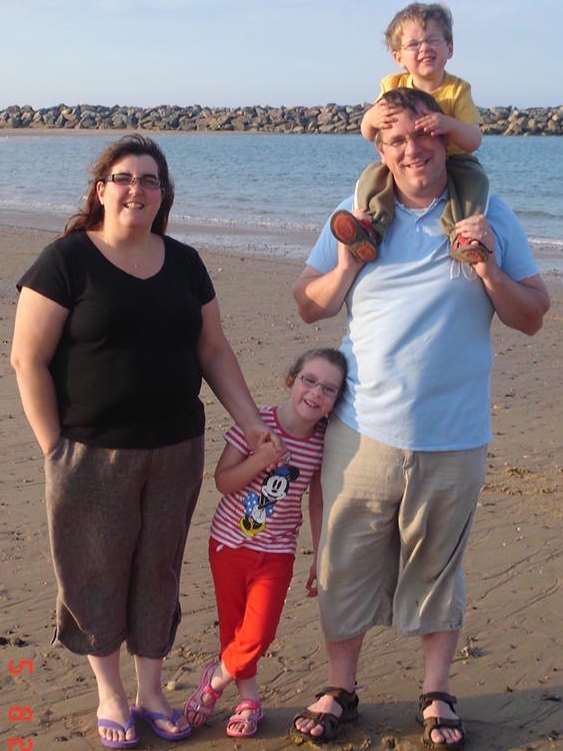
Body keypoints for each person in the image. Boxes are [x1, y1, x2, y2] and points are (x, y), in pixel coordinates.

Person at [291, 87, 550, 749]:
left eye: (424, 135)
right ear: (380, 149)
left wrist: (486, 263)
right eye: (397, 139)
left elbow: (530, 314)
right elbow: (308, 305)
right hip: (362, 426)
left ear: (444, 140)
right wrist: (346, 262)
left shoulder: (487, 213)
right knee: (344, 563)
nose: (413, 149)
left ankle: (436, 691)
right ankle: (340, 687)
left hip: (454, 432)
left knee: (438, 564)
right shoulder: (355, 216)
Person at [10, 135, 285, 749]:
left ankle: (151, 690)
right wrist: (55, 447)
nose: (138, 188)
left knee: (158, 570)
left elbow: (213, 349)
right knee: (95, 571)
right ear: (101, 188)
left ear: (164, 195)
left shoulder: (185, 262)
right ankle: (110, 692)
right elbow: (28, 360)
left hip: (176, 448)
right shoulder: (66, 260)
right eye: (126, 177)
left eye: (151, 180)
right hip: (89, 452)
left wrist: (249, 422)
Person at [183, 348, 347, 737]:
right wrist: (261, 459)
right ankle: (248, 700)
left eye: (328, 389)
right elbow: (223, 481)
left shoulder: (324, 442)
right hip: (228, 543)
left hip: (276, 553)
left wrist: (321, 550)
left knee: (258, 632)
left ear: (335, 404)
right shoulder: (256, 424)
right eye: (309, 380)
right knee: (234, 629)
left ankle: (214, 681)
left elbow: (318, 498)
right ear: (291, 381)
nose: (315, 393)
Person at [331, 2, 489, 265]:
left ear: (449, 48)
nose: (424, 48)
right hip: (405, 161)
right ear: (398, 57)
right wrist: (371, 117)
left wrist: (448, 125)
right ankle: (369, 229)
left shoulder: (457, 90)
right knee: (372, 177)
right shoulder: (392, 85)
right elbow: (369, 132)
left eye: (432, 41)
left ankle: (462, 236)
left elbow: (474, 140)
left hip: (454, 160)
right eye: (414, 44)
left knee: (476, 181)